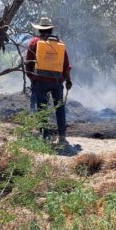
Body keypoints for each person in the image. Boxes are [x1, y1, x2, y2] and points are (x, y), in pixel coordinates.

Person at [25, 17, 73, 145]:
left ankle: (44, 136)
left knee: (41, 108)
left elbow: (28, 64)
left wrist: (33, 78)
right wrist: (68, 80)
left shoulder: (34, 43)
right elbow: (66, 65)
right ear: (51, 29)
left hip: (40, 82)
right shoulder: (60, 44)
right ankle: (62, 137)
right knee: (59, 108)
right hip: (57, 82)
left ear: (40, 30)